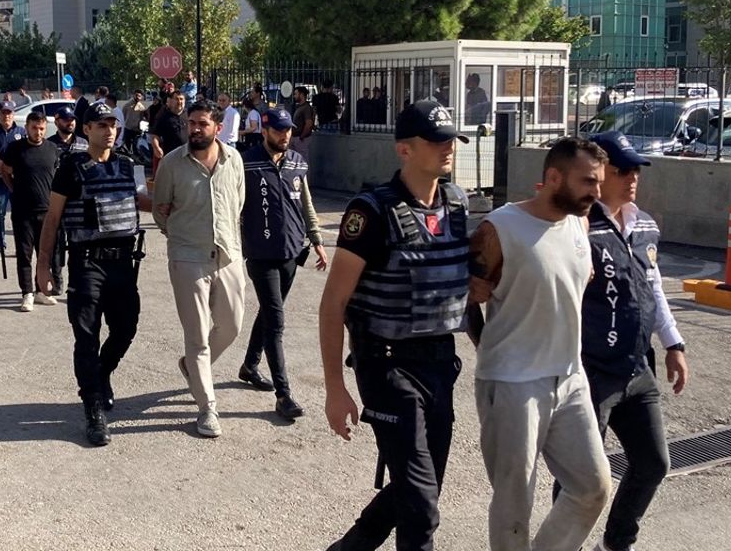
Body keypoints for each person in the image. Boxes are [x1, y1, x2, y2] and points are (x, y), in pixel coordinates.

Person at [317, 102, 472, 551]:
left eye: (450, 139)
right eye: (435, 140)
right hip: (386, 367)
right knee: (422, 507)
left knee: (418, 489)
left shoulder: (458, 205)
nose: (447, 148)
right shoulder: (372, 212)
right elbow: (333, 304)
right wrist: (334, 387)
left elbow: (470, 291)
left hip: (441, 364)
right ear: (404, 149)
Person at [467, 136, 612, 551]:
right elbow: (467, 298)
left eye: (599, 183)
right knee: (515, 504)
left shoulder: (579, 222)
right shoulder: (500, 228)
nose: (596, 193)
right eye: (588, 182)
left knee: (592, 488)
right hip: (513, 383)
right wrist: (491, 355)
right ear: (552, 177)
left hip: (569, 377)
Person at [561, 131, 688, 551]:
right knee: (579, 476)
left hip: (637, 368)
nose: (631, 178)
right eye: (621, 170)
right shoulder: (578, 225)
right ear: (599, 174)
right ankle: (562, 543)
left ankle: (616, 543)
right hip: (592, 369)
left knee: (653, 463)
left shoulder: (644, 223)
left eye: (636, 169)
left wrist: (674, 344)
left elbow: (654, 287)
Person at [37, 102, 151, 446]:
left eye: (112, 124)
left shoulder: (127, 164)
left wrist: (180, 200)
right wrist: (43, 265)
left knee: (126, 327)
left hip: (122, 263)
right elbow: (53, 218)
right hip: (87, 263)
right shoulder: (72, 167)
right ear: (87, 130)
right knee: (86, 336)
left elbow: (143, 200)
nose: (109, 130)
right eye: (101, 125)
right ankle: (93, 408)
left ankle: (101, 375)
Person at [153, 100, 246, 439]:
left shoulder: (234, 160)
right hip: (188, 255)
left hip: (227, 253)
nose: (194, 128)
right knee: (197, 335)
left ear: (217, 128)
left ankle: (190, 368)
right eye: (191, 122)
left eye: (202, 123)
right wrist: (180, 237)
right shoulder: (172, 164)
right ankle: (207, 407)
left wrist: (229, 242)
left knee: (232, 325)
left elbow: (238, 203)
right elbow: (161, 211)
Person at [236, 107, 327, 421]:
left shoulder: (298, 163)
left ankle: (250, 365)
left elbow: (306, 203)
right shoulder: (246, 163)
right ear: (264, 131)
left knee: (268, 310)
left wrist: (315, 238)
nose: (285, 135)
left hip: (291, 251)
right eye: (278, 130)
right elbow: (232, 205)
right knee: (276, 320)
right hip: (260, 254)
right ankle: (284, 394)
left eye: (288, 130)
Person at [1, 111, 62, 312]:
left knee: (45, 253)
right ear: (27, 127)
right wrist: (14, 189)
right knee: (25, 254)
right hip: (23, 211)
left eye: (42, 128)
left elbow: (56, 176)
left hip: (47, 210)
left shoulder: (53, 149)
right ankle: (26, 293)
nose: (38, 132)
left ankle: (41, 291)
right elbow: (5, 171)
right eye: (34, 128)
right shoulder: (15, 148)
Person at [0, 101, 25, 262]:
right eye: (3, 112)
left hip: (18, 180)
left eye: (9, 112)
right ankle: (0, 246)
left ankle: (20, 246)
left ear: (13, 114)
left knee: (19, 214)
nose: (6, 116)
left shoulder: (21, 132)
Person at [150, 90, 187, 177]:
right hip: (171, 157)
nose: (179, 102)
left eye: (181, 99)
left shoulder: (189, 115)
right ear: (170, 101)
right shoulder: (163, 117)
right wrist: (156, 148)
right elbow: (155, 136)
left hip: (187, 157)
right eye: (176, 99)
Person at [290, 86, 316, 159]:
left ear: (301, 94)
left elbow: (309, 124)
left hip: (301, 138)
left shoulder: (306, 108)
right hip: (296, 137)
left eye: (295, 94)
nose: (294, 96)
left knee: (302, 160)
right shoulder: (299, 107)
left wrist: (302, 136)